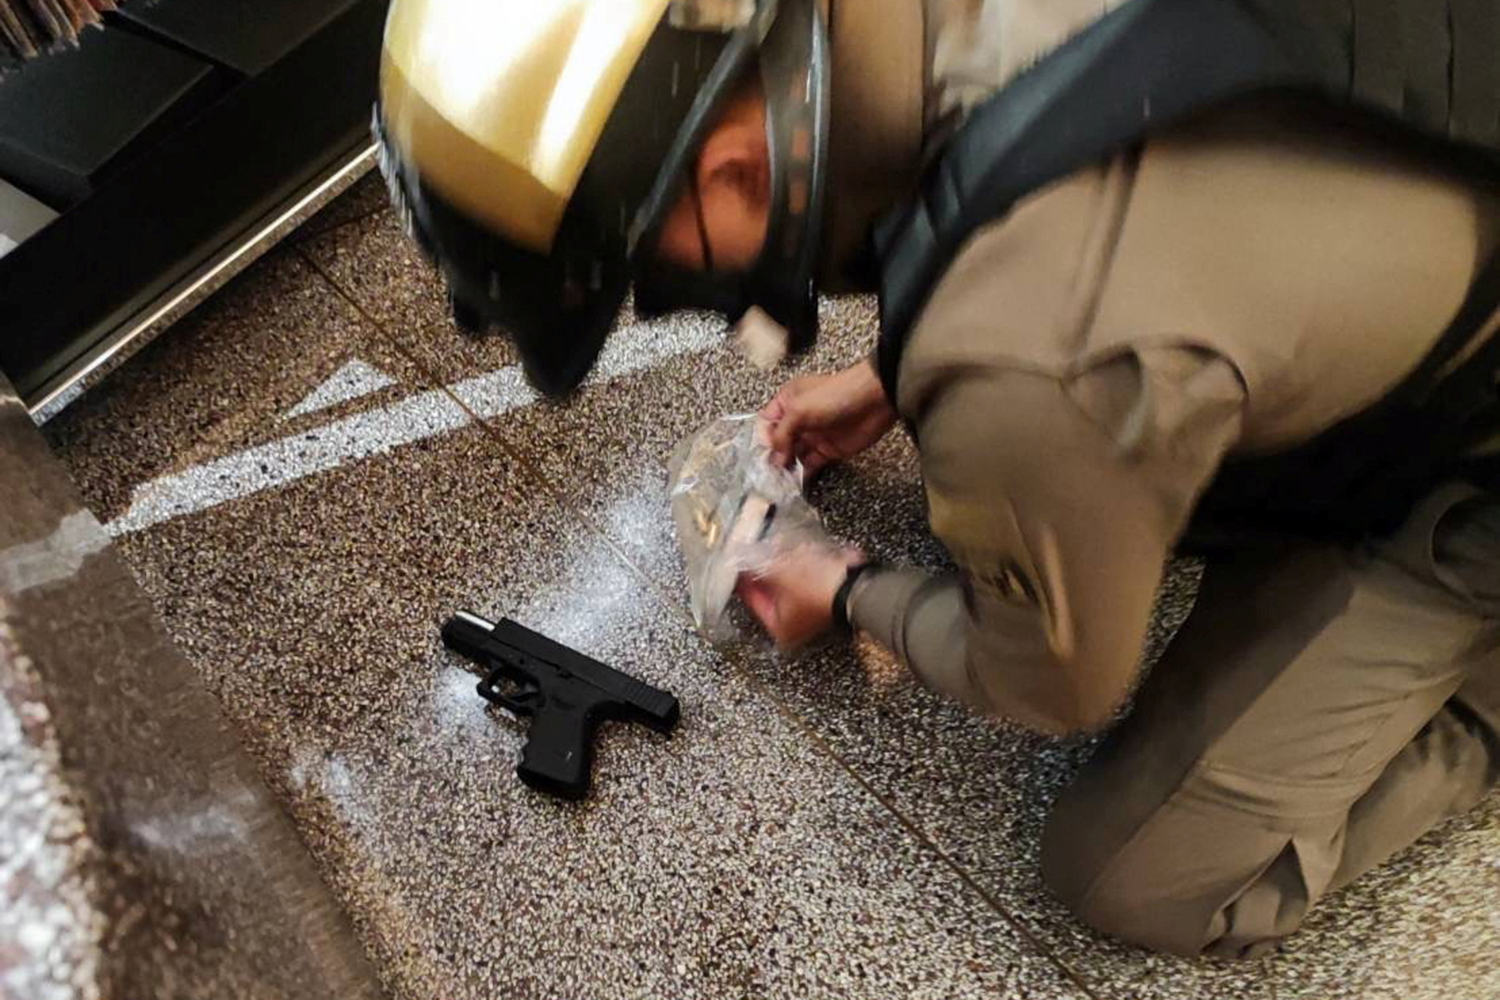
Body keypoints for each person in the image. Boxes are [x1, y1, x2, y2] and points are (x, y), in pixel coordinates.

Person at [376, 0, 1500, 957]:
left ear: (724, 168)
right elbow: (1077, 132)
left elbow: (1059, 681)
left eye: (642, 271)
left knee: (1129, 872)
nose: (664, 302)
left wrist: (843, 584)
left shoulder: (1018, 360)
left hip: (1470, 457)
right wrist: (896, 377)